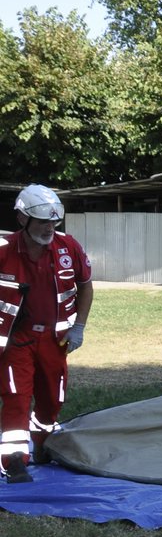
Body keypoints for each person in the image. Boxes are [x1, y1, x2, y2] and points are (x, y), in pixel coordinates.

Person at [0, 185, 93, 483]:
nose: (49, 228)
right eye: (41, 221)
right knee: (16, 396)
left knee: (52, 399)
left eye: (53, 222)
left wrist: (79, 327)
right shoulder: (3, 250)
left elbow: (86, 285)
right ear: (22, 220)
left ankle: (42, 445)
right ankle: (14, 461)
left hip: (55, 340)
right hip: (17, 340)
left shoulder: (69, 247)